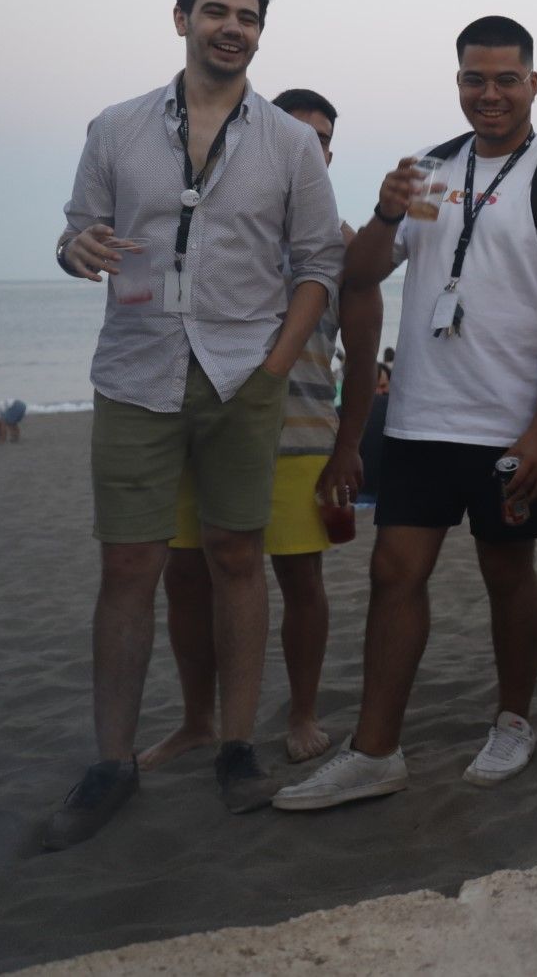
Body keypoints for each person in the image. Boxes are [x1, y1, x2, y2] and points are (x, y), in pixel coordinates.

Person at [275, 15, 537, 810]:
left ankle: (513, 719)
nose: (488, 94)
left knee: (507, 572)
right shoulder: (428, 170)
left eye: (504, 79)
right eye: (473, 79)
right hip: (422, 416)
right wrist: (389, 213)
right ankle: (376, 749)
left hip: (509, 423)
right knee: (395, 572)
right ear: (457, 81)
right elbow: (358, 276)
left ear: (533, 83)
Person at [47, 0, 345, 848]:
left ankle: (237, 747)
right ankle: (111, 762)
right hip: (135, 370)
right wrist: (79, 250)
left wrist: (275, 362)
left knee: (236, 556)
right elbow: (74, 233)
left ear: (259, 30)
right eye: (215, 11)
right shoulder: (116, 126)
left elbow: (320, 263)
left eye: (247, 17)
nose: (232, 28)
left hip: (240, 374)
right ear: (180, 19)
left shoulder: (290, 144)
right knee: (129, 566)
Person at [140, 89, 382, 771]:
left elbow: (362, 359)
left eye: (321, 138)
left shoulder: (345, 248)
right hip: (200, 431)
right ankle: (197, 719)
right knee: (186, 577)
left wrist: (349, 445)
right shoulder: (213, 223)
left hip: (301, 435)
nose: (308, 145)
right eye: (294, 132)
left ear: (329, 154)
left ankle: (302, 712)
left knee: (299, 582)